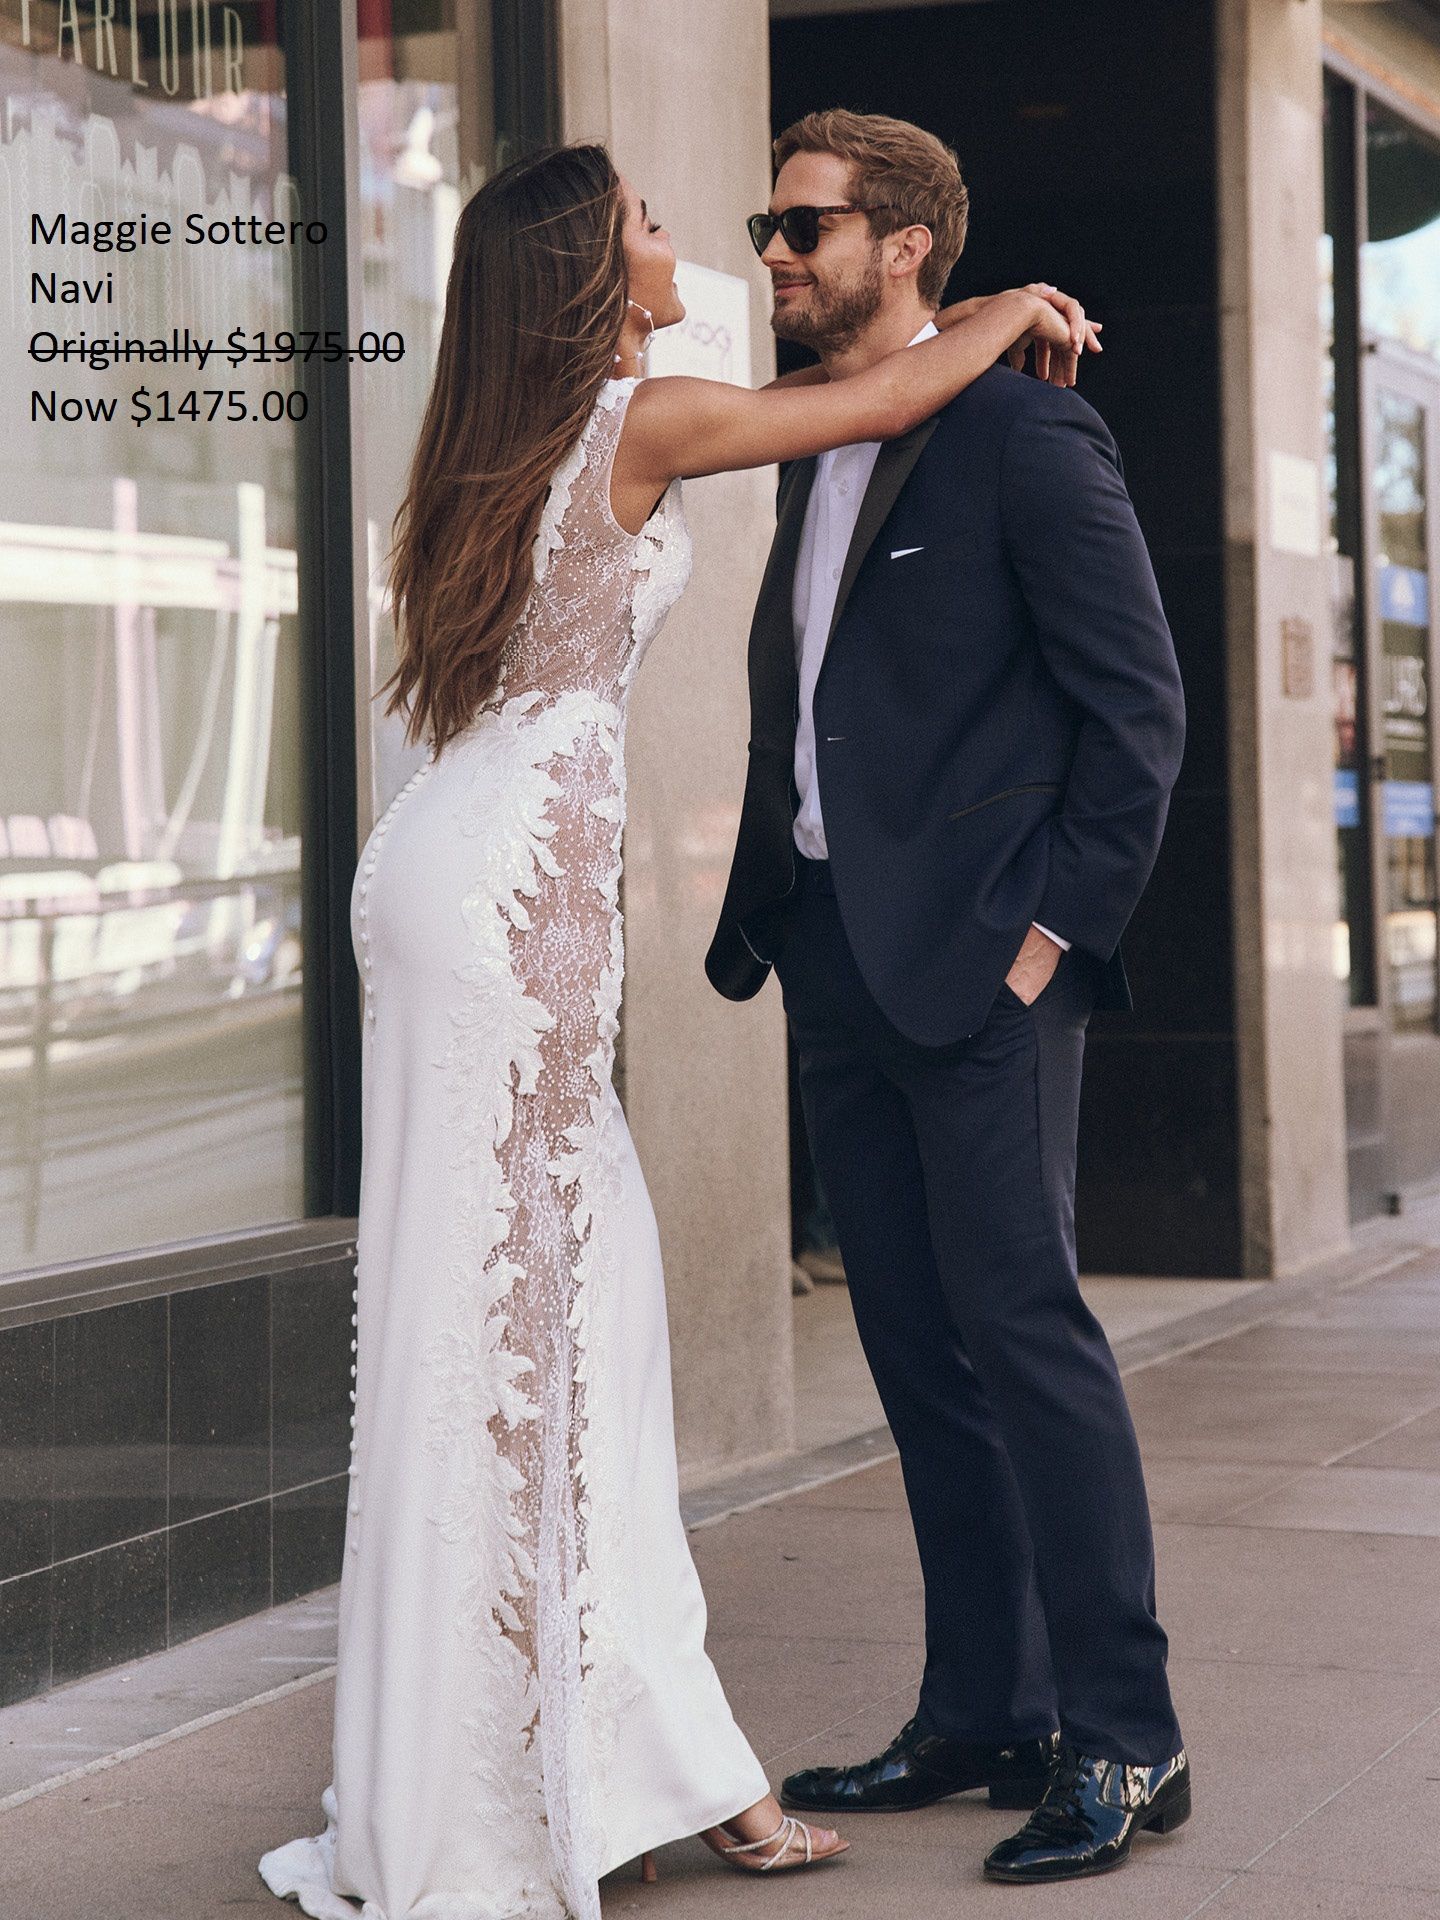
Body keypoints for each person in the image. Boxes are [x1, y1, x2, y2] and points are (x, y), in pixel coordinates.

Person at [256, 139, 1093, 1920]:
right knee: (553, 1336)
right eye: (647, 222)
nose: (688, 239)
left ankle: (582, 1758)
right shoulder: (638, 418)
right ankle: (582, 1777)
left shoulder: (491, 441)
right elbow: (885, 391)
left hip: (444, 873)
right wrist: (1012, 300)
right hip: (508, 910)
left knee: (500, 1328)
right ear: (589, 268)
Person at [706, 108, 1191, 1886]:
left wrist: (1050, 938)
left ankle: (1126, 1735)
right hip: (835, 954)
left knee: (1025, 1336)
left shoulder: (1026, 434)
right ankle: (984, 1708)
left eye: (803, 226)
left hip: (987, 968)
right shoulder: (810, 435)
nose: (773, 252)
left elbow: (1138, 710)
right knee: (916, 1352)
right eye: (768, 226)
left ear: (903, 245)